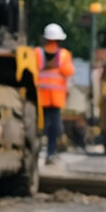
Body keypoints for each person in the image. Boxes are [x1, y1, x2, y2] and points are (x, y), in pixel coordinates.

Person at [36, 23, 77, 162]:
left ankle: (38, 151)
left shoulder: (37, 53)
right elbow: (69, 71)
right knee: (54, 127)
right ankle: (50, 152)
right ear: (59, 40)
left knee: (41, 125)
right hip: (56, 97)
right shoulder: (64, 55)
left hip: (40, 96)